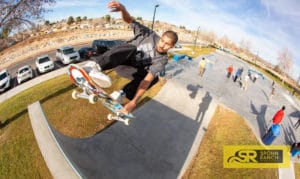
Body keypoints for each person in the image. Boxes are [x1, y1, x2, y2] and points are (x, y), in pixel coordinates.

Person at [86, 1, 178, 114]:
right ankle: (94, 65)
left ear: (172, 46)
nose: (161, 45)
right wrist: (123, 10)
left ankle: (121, 94)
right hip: (119, 60)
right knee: (131, 47)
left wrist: (134, 101)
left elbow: (146, 81)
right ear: (160, 37)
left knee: (153, 78)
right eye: (162, 41)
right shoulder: (149, 34)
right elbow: (130, 21)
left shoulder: (162, 60)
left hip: (128, 70)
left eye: (167, 44)